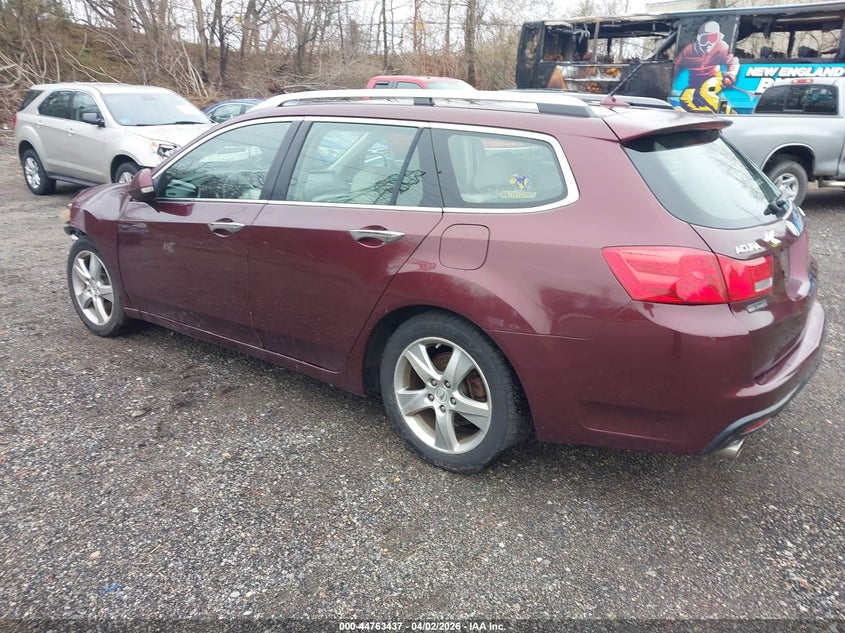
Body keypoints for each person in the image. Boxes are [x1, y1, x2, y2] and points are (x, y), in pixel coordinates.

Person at [674, 21, 740, 113]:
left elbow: (733, 62)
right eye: (705, 39)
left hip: (713, 78)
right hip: (695, 82)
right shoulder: (689, 50)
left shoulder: (721, 47)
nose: (708, 43)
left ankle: (729, 112)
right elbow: (676, 64)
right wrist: (671, 75)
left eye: (712, 38)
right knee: (685, 97)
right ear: (699, 39)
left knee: (706, 93)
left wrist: (730, 76)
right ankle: (704, 112)